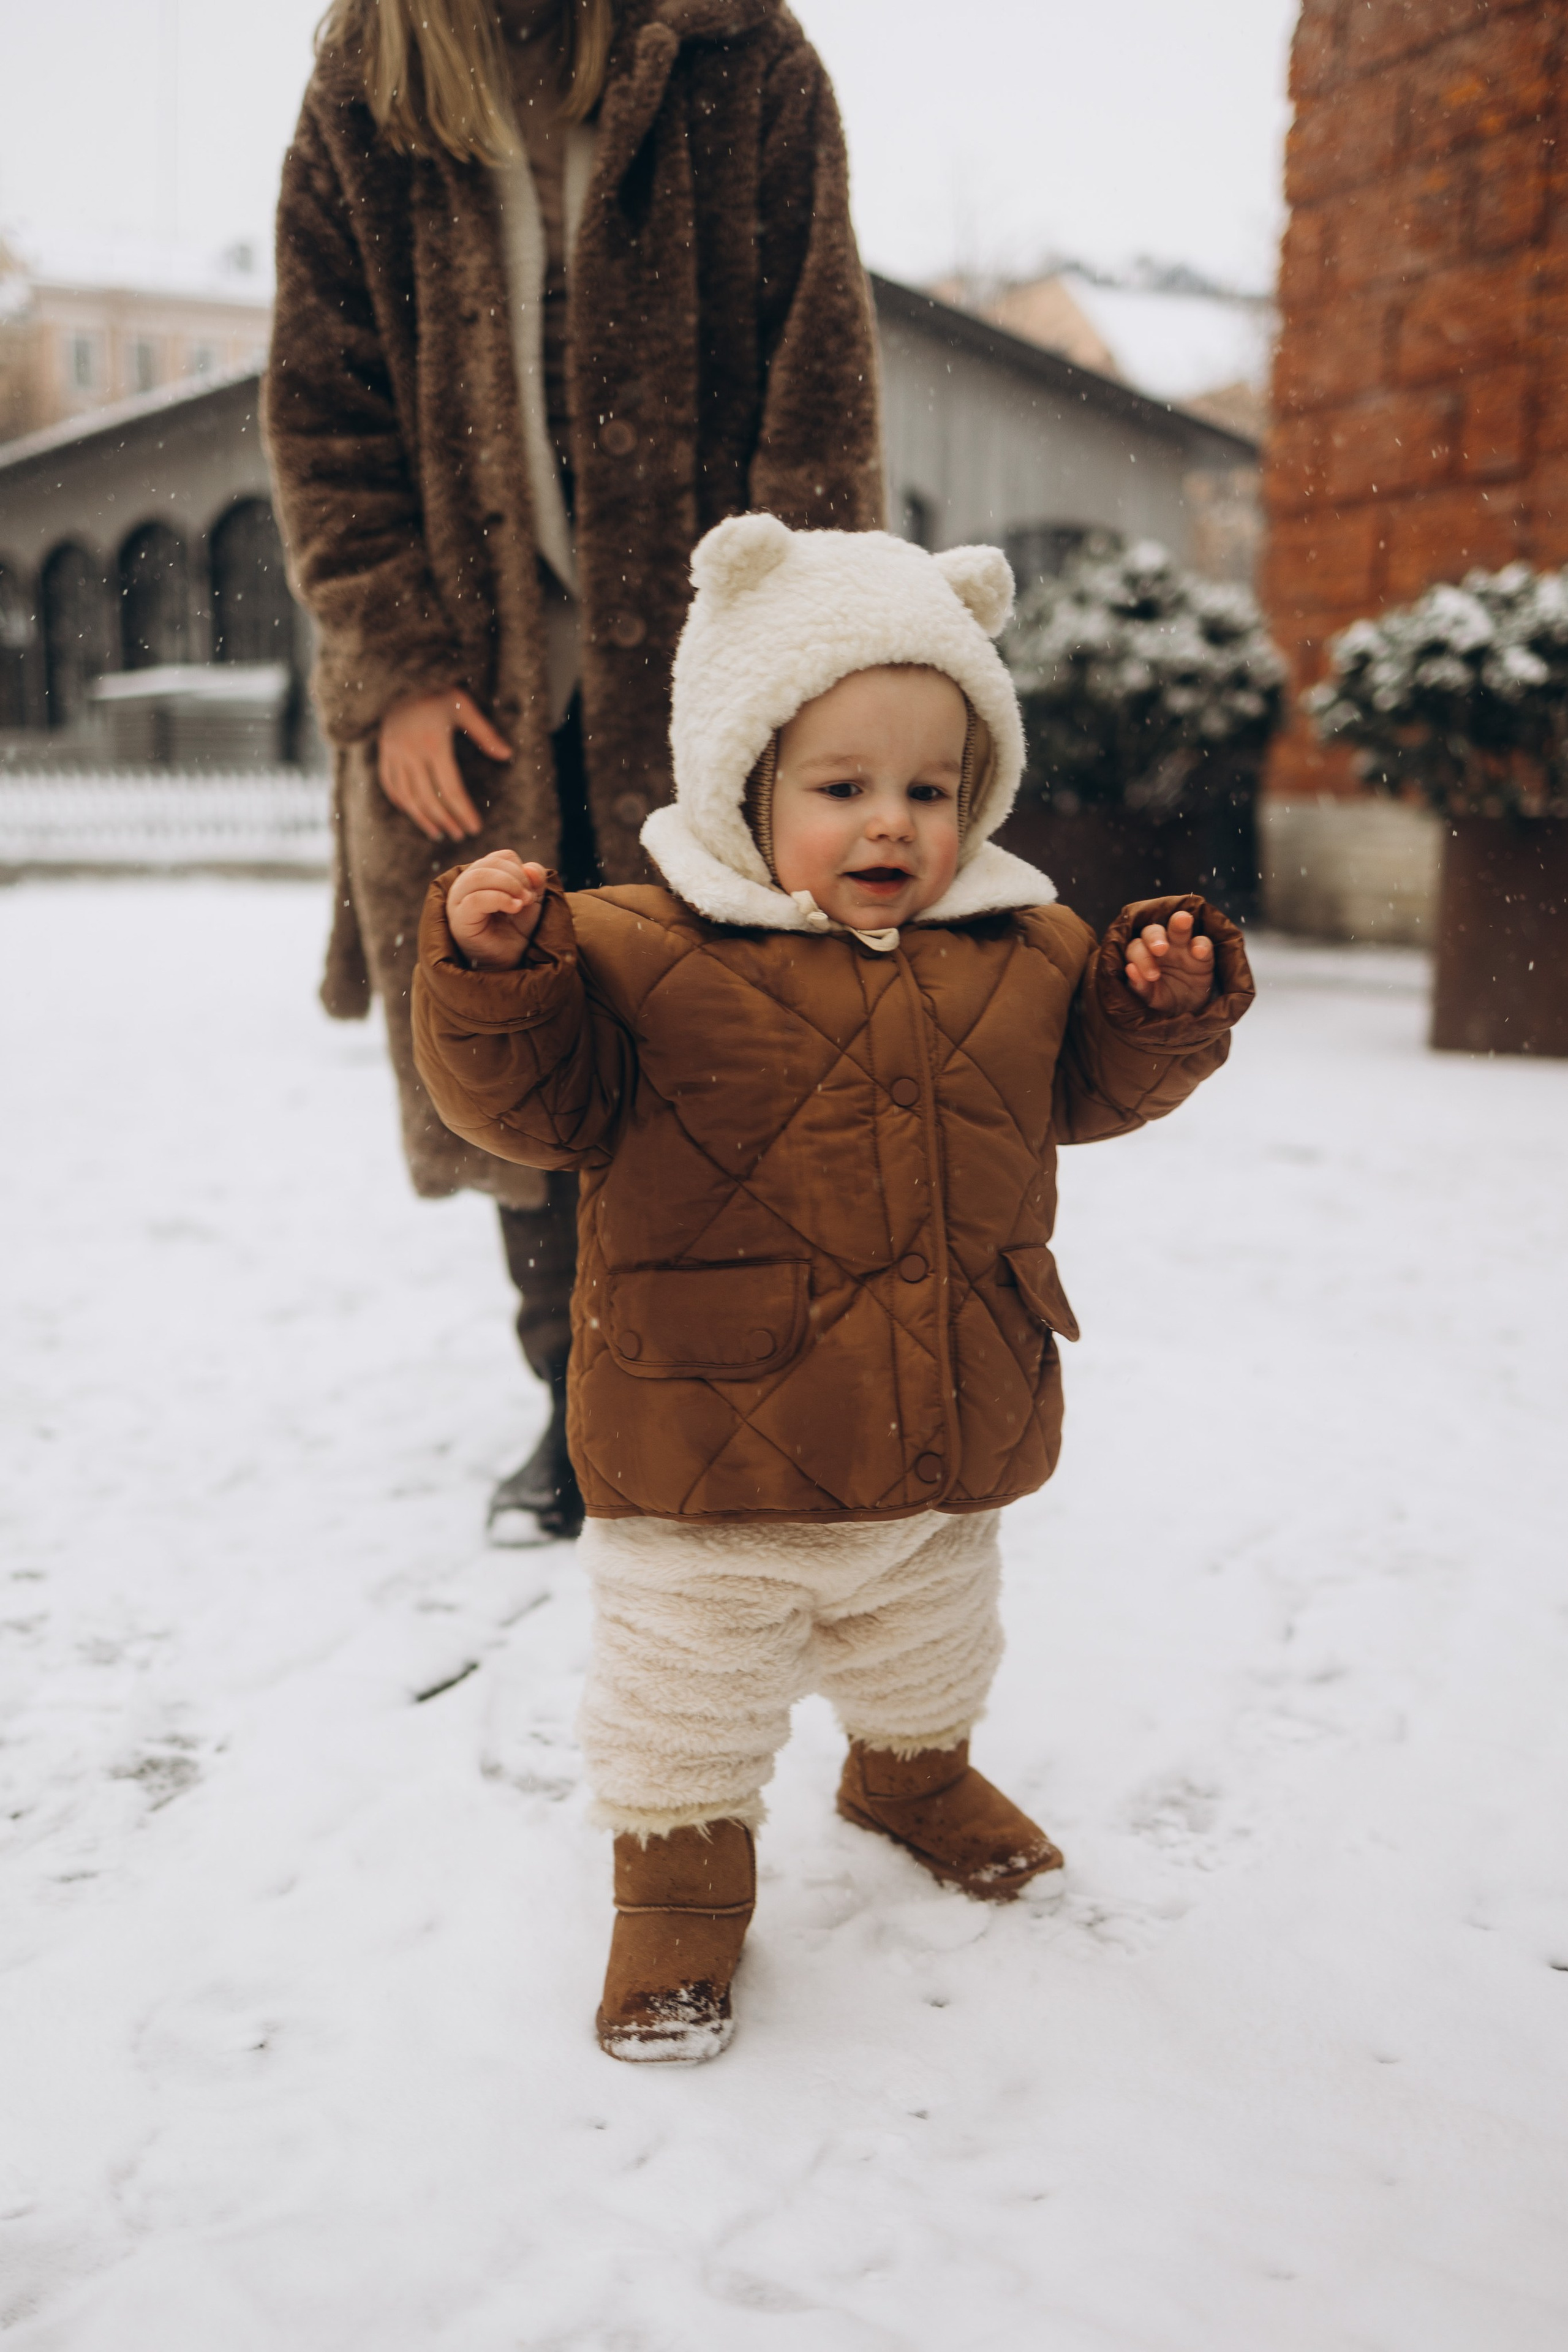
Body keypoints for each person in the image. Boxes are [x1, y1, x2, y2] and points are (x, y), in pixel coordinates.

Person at [410, 518, 1256, 2062]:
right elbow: (522, 1111)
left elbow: (1090, 1086)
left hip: (945, 1418)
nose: (894, 824)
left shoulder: (1021, 948)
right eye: (842, 787)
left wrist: (1154, 1006)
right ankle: (676, 1896)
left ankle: (908, 1772)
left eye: (930, 790)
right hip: (708, 1447)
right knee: (686, 1703)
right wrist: (494, 972)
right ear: (744, 782)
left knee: (931, 1637)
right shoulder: (625, 949)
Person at [263, 0, 881, 1542]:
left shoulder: (743, 55)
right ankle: (577, 1399)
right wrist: (395, 661)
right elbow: (321, 401)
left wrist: (800, 671)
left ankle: (750, 1394)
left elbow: (819, 390)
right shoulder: (373, 73)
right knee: (521, 1040)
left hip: (709, 669)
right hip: (470, 691)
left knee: (733, 1044)